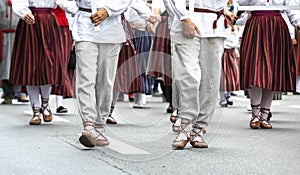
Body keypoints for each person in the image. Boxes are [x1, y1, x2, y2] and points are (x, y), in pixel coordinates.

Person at [72, 0, 132, 147]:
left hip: (111, 28)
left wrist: (108, 10)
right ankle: (89, 125)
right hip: (85, 26)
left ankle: (100, 123)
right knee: (86, 79)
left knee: (105, 81)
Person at [170, 0, 228, 149]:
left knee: (210, 81)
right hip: (187, 22)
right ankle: (185, 126)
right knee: (188, 77)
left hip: (214, 28)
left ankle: (198, 129)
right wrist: (184, 17)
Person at [10, 0, 77, 125]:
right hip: (29, 22)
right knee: (30, 66)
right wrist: (24, 13)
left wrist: (80, 11)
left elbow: (64, 2)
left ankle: (45, 105)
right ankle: (35, 110)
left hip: (49, 23)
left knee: (48, 66)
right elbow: (18, 2)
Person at [237, 0, 300, 129]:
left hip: (276, 26)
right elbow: (240, 2)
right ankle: (255, 114)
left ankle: (264, 115)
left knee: (273, 71)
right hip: (256, 25)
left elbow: (291, 7)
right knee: (256, 70)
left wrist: (298, 23)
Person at [0, 0, 29, 105]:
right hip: (4, 35)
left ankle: (21, 92)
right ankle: (8, 94)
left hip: (20, 34)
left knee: (21, 63)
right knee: (5, 66)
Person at [52, 6, 75, 114]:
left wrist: (74, 36)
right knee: (48, 65)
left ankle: (59, 103)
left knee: (62, 65)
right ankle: (41, 103)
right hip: (49, 25)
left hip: (63, 27)